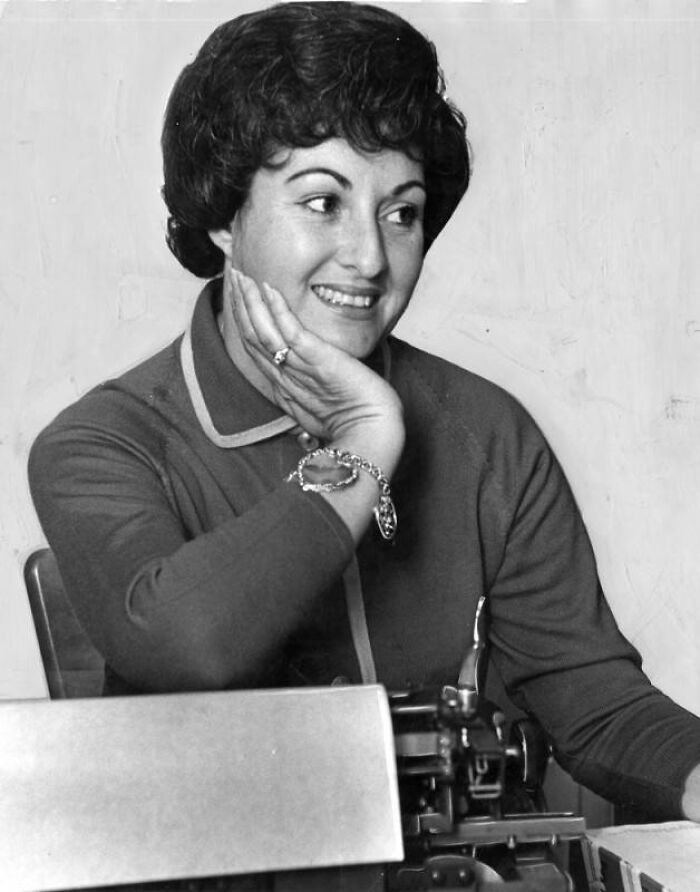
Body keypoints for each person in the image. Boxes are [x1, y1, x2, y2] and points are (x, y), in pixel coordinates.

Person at [28, 0, 700, 825]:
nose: (372, 256)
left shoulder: (487, 432)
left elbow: (592, 698)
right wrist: (366, 443)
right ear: (222, 215)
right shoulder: (101, 444)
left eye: (402, 210)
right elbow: (186, 646)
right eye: (322, 202)